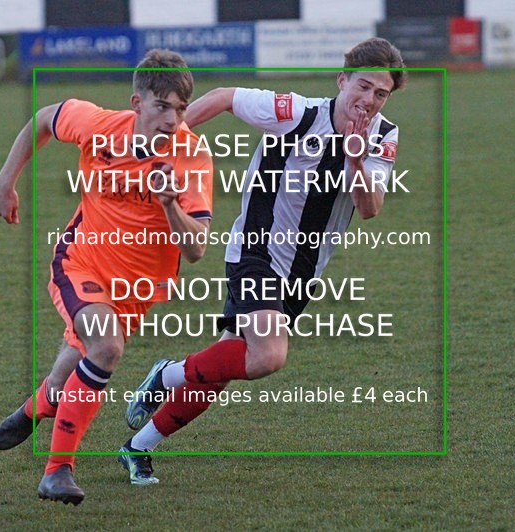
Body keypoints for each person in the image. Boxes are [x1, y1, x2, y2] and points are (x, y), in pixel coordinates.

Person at [122, 38, 407, 483]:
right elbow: (221, 99)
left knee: (223, 368)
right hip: (256, 251)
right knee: (268, 355)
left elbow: (369, 208)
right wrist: (162, 145)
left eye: (380, 93)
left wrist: (354, 160)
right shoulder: (296, 111)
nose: (368, 100)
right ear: (342, 81)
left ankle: (137, 446)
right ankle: (168, 376)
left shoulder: (383, 136)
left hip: (303, 271)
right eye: (363, 86)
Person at [0, 49, 213, 504]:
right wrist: (5, 181)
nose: (172, 119)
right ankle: (57, 472)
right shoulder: (97, 125)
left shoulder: (191, 156)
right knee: (106, 347)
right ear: (137, 102)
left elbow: (195, 250)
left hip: (136, 290)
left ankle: (39, 406)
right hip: (81, 263)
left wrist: (170, 204)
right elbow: (45, 119)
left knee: (69, 378)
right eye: (162, 106)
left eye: (181, 109)